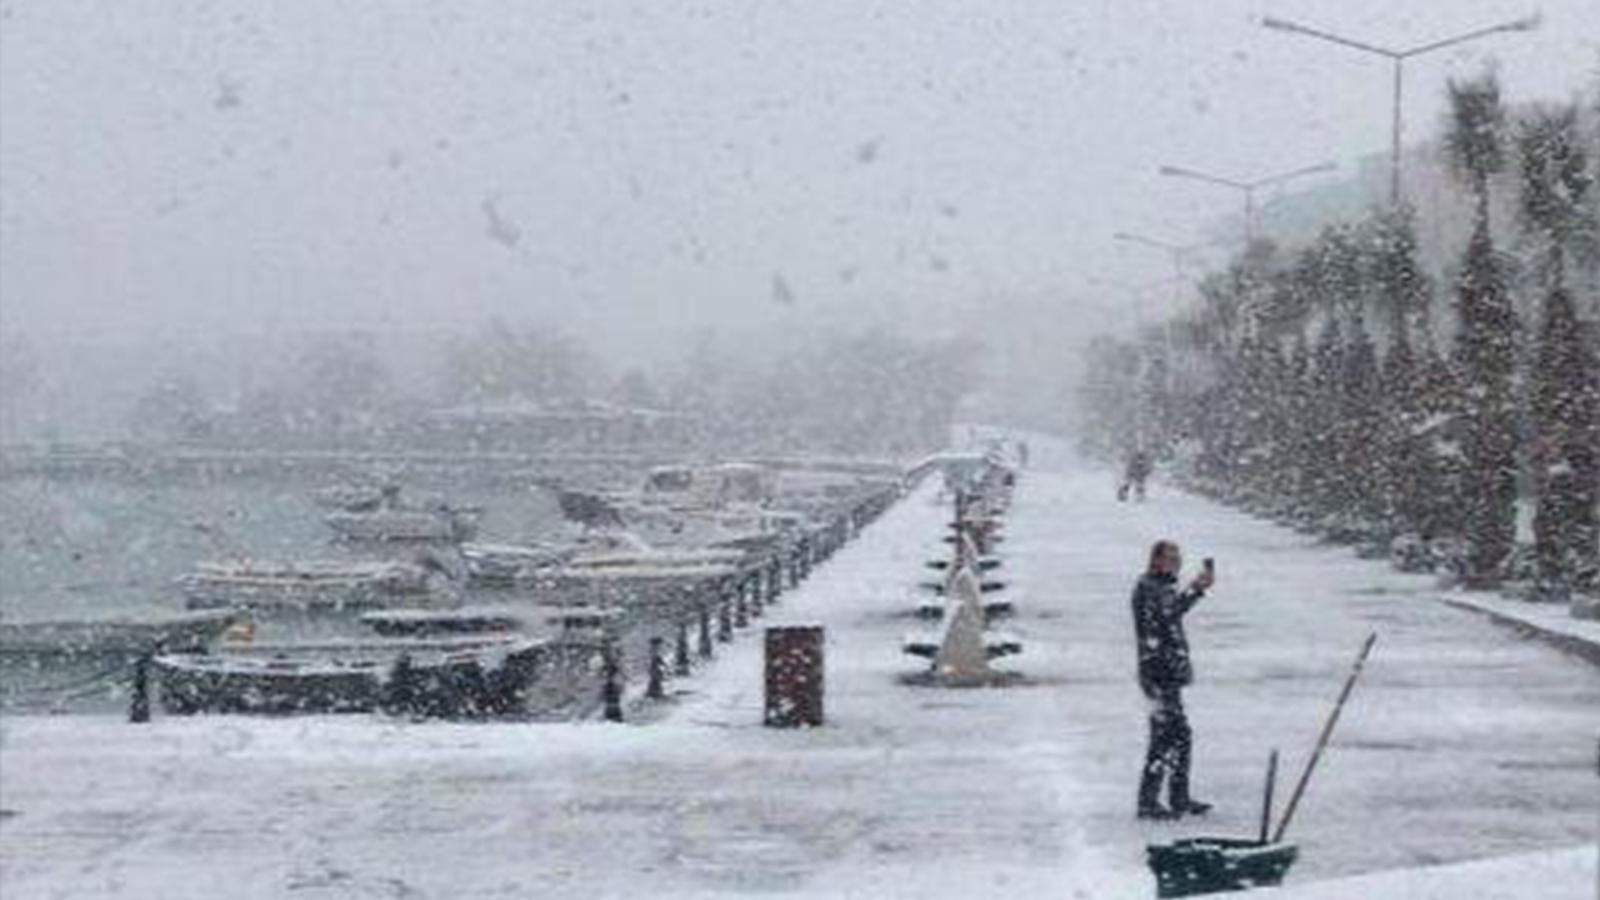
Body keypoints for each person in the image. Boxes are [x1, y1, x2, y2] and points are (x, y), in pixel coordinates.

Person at [1132, 540, 1215, 819]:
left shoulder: (1160, 586)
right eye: (1169, 557)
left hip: (1165, 672)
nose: (1175, 562)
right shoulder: (1149, 587)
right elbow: (1166, 617)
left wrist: (1196, 590)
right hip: (1158, 673)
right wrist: (1195, 590)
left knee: (1177, 736)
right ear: (1155, 560)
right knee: (1166, 735)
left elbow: (1170, 612)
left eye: (1177, 557)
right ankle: (1150, 801)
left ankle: (1176, 797)